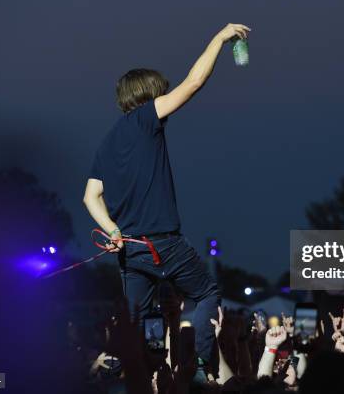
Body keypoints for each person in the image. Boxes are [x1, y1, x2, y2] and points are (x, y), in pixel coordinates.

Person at [83, 23, 251, 365]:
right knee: (206, 294)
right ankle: (207, 369)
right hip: (163, 243)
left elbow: (90, 196)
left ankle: (141, 374)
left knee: (139, 324)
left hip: (131, 250)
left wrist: (114, 231)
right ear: (148, 96)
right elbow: (193, 83)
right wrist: (219, 38)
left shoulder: (106, 143)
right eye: (160, 93)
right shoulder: (145, 118)